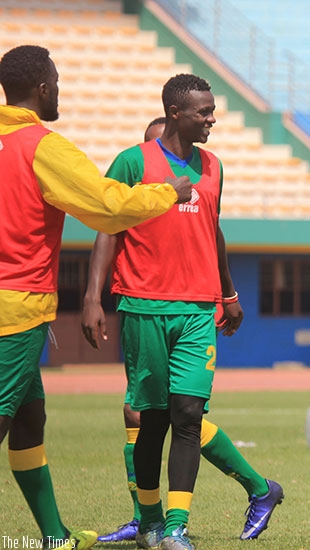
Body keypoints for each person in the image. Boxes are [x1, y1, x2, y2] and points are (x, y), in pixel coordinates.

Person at [0, 45, 191, 550]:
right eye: (57, 81)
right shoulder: (42, 146)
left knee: (29, 416)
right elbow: (107, 208)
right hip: (13, 308)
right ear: (42, 88)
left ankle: (54, 536)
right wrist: (169, 192)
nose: (59, 89)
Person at [77, 73, 264, 550]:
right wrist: (93, 297)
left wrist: (229, 294)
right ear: (176, 113)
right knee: (151, 419)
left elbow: (213, 233)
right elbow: (107, 229)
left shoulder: (214, 167)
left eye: (213, 110)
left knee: (187, 413)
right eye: (204, 112)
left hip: (199, 310)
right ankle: (151, 523)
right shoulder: (131, 161)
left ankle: (176, 528)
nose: (212, 119)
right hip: (143, 308)